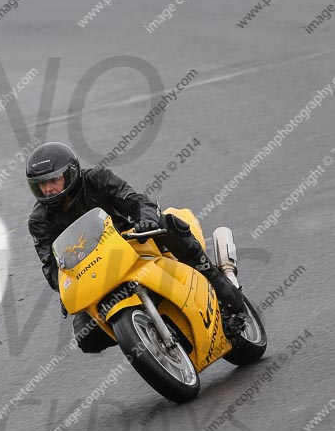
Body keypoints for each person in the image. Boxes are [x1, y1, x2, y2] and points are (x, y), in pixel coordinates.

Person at [26, 141, 244, 353]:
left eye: (53, 180)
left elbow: (136, 200)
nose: (48, 189)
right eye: (41, 184)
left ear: (70, 173)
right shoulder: (39, 220)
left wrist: (146, 219)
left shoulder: (98, 179)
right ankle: (141, 335)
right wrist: (63, 288)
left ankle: (217, 281)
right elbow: (51, 265)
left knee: (167, 223)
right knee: (86, 336)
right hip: (91, 271)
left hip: (131, 242)